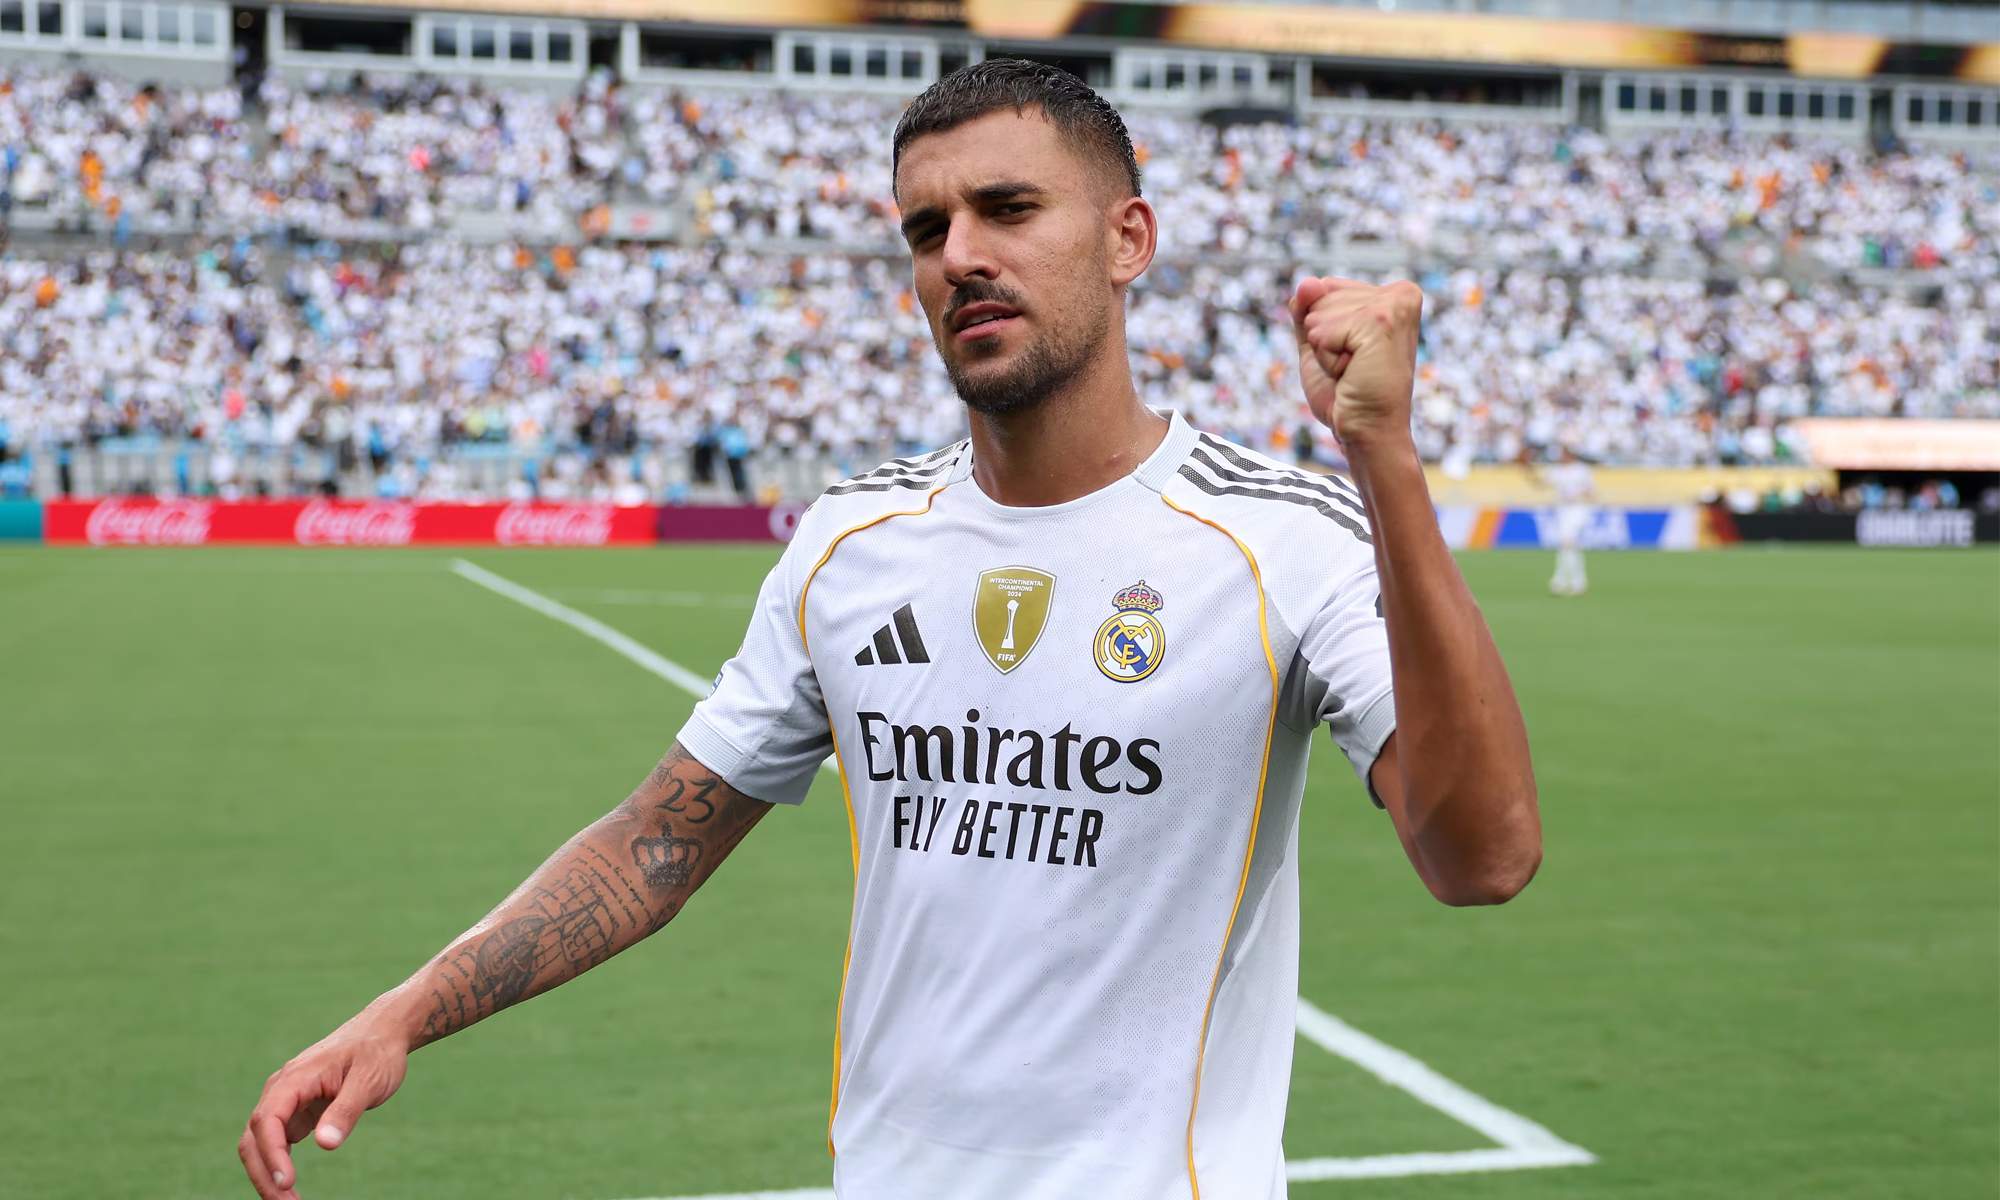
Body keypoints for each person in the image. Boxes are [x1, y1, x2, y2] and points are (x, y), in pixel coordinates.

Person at [237, 60, 1541, 1200]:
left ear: (1128, 239)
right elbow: (657, 842)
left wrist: (1382, 457)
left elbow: (1481, 854)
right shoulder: (851, 542)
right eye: (927, 228)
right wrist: (409, 1009)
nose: (959, 253)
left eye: (1008, 209)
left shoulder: (1281, 536)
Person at [1538, 446, 1596, 596]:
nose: (1560, 458)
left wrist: (1576, 495)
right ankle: (1571, 581)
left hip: (1578, 509)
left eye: (1563, 455)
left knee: (1567, 542)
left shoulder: (1581, 470)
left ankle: (1565, 580)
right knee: (1568, 546)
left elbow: (1591, 491)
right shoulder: (1556, 471)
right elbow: (1542, 484)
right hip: (1563, 511)